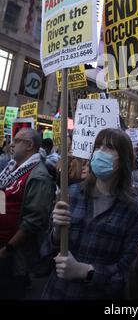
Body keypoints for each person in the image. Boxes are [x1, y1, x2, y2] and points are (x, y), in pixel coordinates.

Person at [41, 128, 138, 300]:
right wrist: (56, 233)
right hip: (57, 293)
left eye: (109, 148)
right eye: (97, 146)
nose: (100, 152)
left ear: (124, 159)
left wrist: (85, 271)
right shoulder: (71, 194)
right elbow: (44, 255)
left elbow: (126, 273)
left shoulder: (134, 209)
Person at [0, 128, 56, 299]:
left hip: (12, 253)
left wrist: (7, 249)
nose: (11, 144)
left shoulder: (38, 176)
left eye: (17, 140)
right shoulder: (12, 169)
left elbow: (34, 220)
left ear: (29, 145)